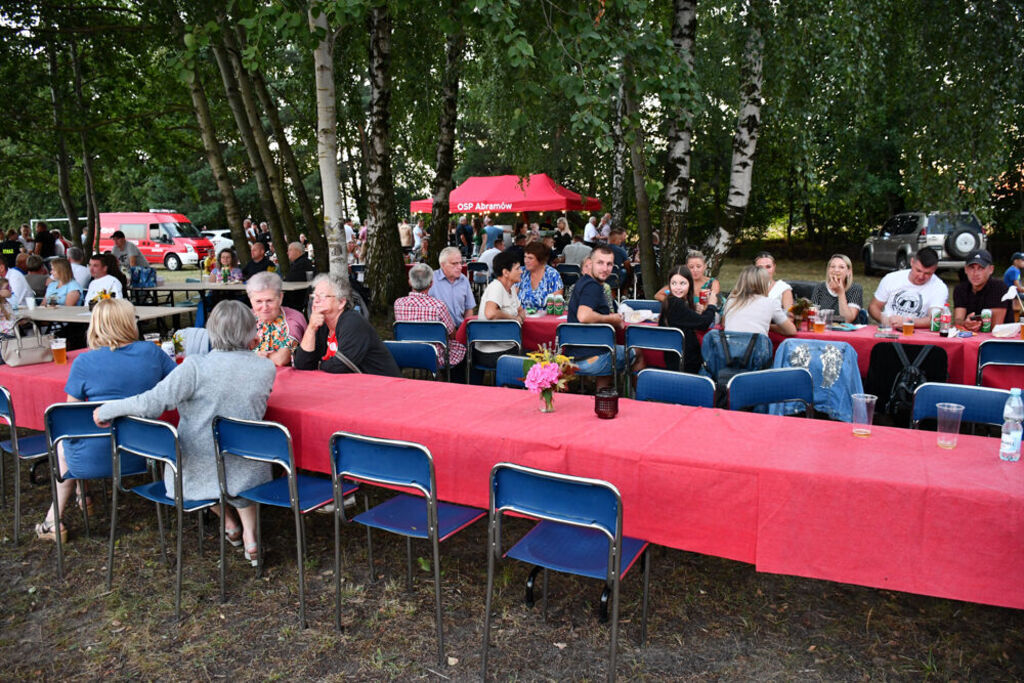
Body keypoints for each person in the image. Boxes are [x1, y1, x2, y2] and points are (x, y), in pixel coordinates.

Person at [93, 300, 275, 562]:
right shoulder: (266, 368)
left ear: (212, 331)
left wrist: (108, 409)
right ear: (250, 330)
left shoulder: (194, 367)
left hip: (197, 465)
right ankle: (250, 535)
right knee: (237, 466)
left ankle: (228, 524)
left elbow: (150, 403)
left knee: (202, 458)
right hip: (249, 467)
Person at [34, 299, 177, 543]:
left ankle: (56, 516)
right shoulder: (152, 352)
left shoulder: (84, 362)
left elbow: (73, 416)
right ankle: (82, 495)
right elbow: (178, 387)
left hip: (93, 456)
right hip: (146, 449)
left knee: (63, 442)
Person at [566, 245, 644, 388]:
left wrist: (611, 318)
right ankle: (639, 401)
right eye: (600, 263)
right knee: (636, 352)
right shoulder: (592, 286)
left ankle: (602, 397)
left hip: (572, 358)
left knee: (608, 349)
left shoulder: (583, 283)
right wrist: (612, 319)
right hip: (592, 360)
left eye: (609, 264)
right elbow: (583, 316)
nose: (605, 268)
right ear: (590, 263)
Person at [294, 274, 400, 376]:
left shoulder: (353, 322)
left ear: (341, 302)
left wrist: (318, 365)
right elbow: (302, 364)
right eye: (314, 296)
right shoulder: (321, 324)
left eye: (322, 296)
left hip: (383, 386)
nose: (315, 301)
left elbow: (340, 365)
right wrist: (311, 328)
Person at [393, 263, 466, 380]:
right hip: (434, 355)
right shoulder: (438, 306)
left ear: (410, 282)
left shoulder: (398, 303)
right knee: (461, 347)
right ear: (431, 283)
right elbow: (452, 334)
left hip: (406, 352)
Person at [474, 250, 526, 378]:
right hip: (491, 352)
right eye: (517, 268)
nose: (521, 271)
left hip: (506, 347)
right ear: (505, 272)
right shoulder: (496, 287)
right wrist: (514, 318)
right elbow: (491, 313)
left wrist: (519, 316)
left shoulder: (511, 288)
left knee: (533, 353)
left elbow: (521, 310)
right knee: (533, 355)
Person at [867, 246, 948, 328]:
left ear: (935, 269)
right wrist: (884, 319)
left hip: (919, 334)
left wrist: (908, 322)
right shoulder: (891, 278)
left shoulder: (939, 287)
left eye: (928, 273)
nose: (921, 276)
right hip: (890, 330)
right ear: (912, 262)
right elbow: (874, 306)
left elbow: (935, 319)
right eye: (918, 270)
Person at [659, 266, 717, 373]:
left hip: (676, 360)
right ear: (669, 285)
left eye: (682, 283)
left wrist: (694, 311)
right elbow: (704, 324)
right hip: (685, 363)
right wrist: (712, 305)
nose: (678, 288)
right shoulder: (676, 303)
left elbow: (689, 319)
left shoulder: (671, 302)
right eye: (674, 283)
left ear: (689, 284)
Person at [246, 271, 307, 367]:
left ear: (280, 297)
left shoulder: (294, 319)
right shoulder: (244, 319)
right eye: (258, 301)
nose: (264, 307)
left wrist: (254, 355)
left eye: (269, 300)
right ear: (251, 300)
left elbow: (281, 359)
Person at [722, 265, 797, 336]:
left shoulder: (731, 301)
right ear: (764, 284)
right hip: (756, 348)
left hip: (729, 348)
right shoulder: (771, 303)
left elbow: (724, 324)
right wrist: (769, 326)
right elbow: (791, 331)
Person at [952, 249, 1007, 331]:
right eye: (972, 268)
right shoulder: (960, 289)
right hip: (969, 338)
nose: (975, 273)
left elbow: (996, 327)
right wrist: (965, 323)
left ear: (991, 269)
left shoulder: (999, 288)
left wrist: (972, 325)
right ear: (965, 269)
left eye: (981, 268)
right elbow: (958, 320)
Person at [428, 246, 475, 326]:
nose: (460, 267)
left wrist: (465, 329)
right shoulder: (431, 279)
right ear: (442, 265)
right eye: (454, 263)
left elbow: (469, 308)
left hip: (460, 328)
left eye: (460, 263)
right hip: (437, 329)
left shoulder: (463, 280)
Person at [811, 254, 864, 323]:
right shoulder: (820, 287)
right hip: (823, 329)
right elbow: (812, 316)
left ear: (848, 272)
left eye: (841, 267)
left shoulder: (855, 289)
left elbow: (847, 319)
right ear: (828, 270)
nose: (836, 270)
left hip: (846, 332)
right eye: (833, 266)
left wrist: (841, 293)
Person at [517, 242, 563, 310]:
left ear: (541, 260)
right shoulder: (520, 272)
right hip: (521, 316)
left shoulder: (552, 275)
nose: (526, 261)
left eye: (530, 258)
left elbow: (556, 304)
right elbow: (512, 299)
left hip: (545, 318)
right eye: (525, 257)